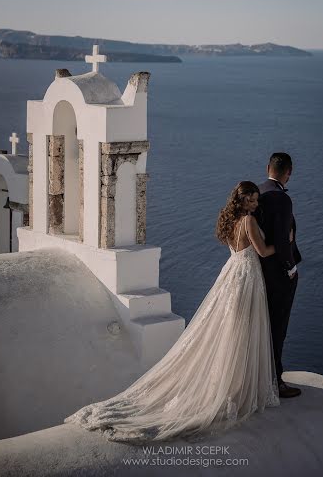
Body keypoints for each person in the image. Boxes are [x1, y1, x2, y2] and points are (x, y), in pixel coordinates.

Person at [64, 181, 280, 444]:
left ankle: (231, 385)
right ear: (244, 201)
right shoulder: (247, 221)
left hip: (231, 273)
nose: (256, 205)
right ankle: (238, 388)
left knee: (228, 329)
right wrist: (284, 242)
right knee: (243, 329)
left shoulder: (230, 220)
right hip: (247, 277)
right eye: (253, 200)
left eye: (257, 200)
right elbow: (263, 252)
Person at [257, 153, 302, 398]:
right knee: (278, 326)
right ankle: (276, 381)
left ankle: (261, 375)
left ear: (267, 168)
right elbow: (284, 241)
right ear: (289, 172)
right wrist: (291, 269)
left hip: (258, 272)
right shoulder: (282, 199)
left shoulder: (257, 194)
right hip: (278, 274)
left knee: (261, 324)